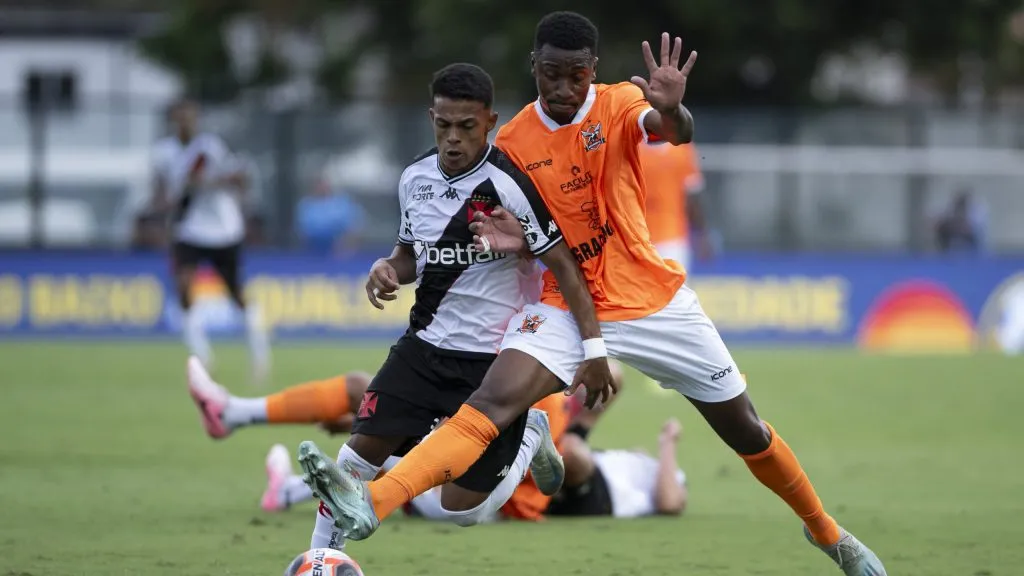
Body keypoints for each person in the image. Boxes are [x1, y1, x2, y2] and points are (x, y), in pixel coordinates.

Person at [306, 12, 886, 576]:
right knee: (490, 402)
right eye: (550, 73)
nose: (563, 87)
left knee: (747, 430)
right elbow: (484, 231)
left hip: (651, 300)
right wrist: (472, 247)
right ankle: (373, 504)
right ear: (533, 66)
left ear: (594, 69)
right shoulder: (508, 141)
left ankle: (828, 533)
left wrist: (672, 106)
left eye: (575, 74)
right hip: (563, 301)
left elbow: (671, 131)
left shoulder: (618, 104)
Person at [289, 62, 612, 551]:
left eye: (466, 127)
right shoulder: (414, 179)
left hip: (490, 367)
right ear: (431, 119)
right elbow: (410, 256)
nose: (453, 138)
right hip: (421, 350)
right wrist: (388, 268)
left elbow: (566, 268)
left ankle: (530, 435)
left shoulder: (512, 185)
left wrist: (593, 348)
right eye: (443, 126)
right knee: (355, 460)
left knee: (460, 510)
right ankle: (319, 559)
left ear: (489, 122)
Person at [150, 98, 270, 382]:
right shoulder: (163, 153)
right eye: (181, 118)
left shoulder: (210, 148)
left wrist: (204, 183)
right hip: (189, 230)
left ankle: (259, 353)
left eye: (190, 117)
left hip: (222, 231)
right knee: (183, 288)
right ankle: (202, 357)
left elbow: (238, 179)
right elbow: (161, 193)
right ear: (173, 120)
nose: (186, 123)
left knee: (236, 294)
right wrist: (164, 207)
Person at [639, 140, 712, 270]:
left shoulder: (682, 148)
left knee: (676, 289)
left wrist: (702, 233)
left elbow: (693, 195)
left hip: (671, 239)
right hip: (638, 239)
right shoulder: (630, 146)